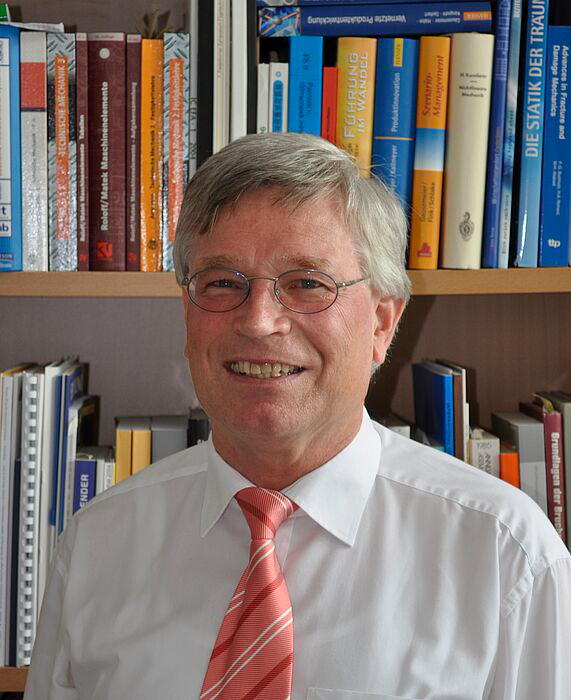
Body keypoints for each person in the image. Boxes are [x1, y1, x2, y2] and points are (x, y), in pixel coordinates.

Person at [25, 133, 571, 700]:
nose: (259, 322)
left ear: (382, 323)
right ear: (187, 315)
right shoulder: (97, 545)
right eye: (222, 283)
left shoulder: (506, 556)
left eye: (308, 283)